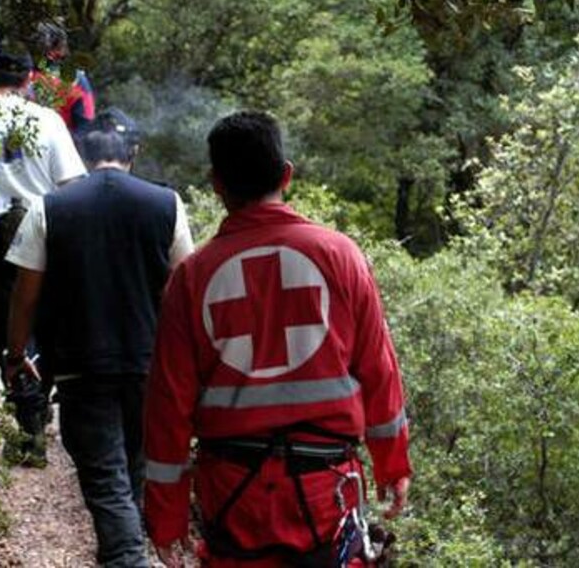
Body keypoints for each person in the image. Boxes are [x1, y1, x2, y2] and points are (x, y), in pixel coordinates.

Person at [144, 111, 412, 567]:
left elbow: (167, 408)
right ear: (286, 175)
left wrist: (166, 518)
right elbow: (378, 370)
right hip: (327, 491)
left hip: (233, 498)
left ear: (216, 183)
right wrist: (392, 464)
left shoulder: (192, 277)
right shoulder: (340, 256)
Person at [5, 107, 194, 568]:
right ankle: (123, 552)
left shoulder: (50, 206)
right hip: (148, 363)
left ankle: (125, 557)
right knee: (131, 467)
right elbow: (182, 288)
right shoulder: (165, 204)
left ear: (83, 153)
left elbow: (25, 296)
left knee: (105, 475)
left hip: (79, 363)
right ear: (134, 152)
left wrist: (16, 353)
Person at [0, 49, 87, 464]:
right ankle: (35, 410)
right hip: (40, 225)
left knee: (1, 323)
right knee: (43, 318)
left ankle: (27, 423)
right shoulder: (47, 119)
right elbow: (72, 183)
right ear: (29, 80)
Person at [29, 21, 96, 137]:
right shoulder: (77, 81)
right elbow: (86, 125)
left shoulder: (21, 77)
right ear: (59, 50)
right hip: (64, 147)